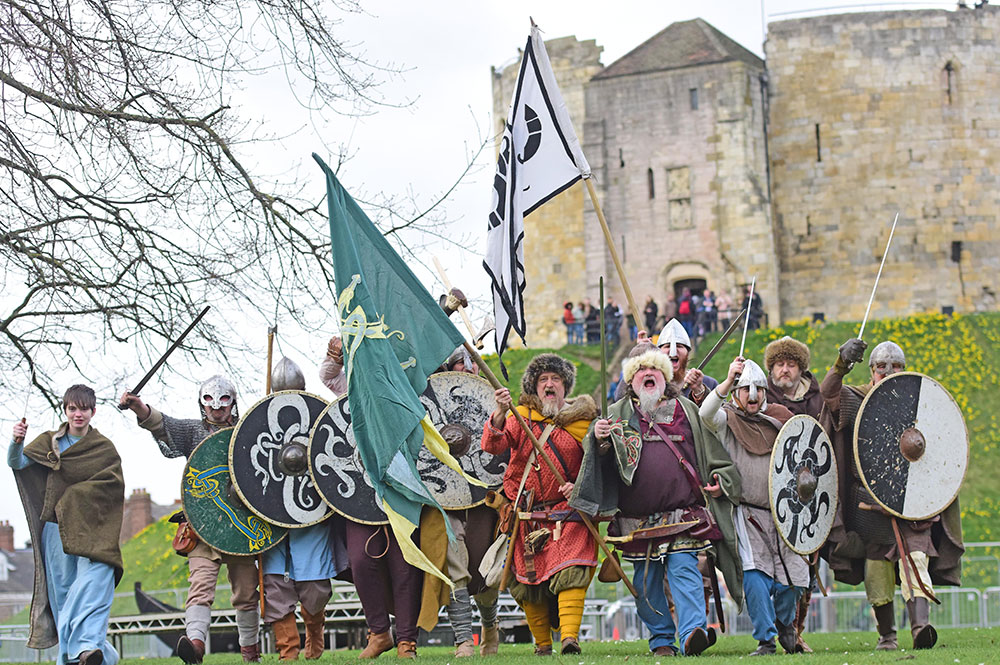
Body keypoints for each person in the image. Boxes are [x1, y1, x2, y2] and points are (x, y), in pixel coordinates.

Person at [571, 344, 742, 657]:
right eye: (639, 371)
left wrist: (720, 481)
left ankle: (692, 634)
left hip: (683, 513)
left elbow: (713, 453)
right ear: (631, 380)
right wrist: (598, 438)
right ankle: (662, 640)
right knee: (647, 583)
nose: (647, 374)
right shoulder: (616, 413)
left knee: (685, 572)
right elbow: (603, 460)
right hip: (637, 519)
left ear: (664, 376)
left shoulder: (687, 411)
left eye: (653, 370)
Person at [819, 339, 964, 651]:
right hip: (869, 504)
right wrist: (841, 364)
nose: (888, 372)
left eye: (896, 366)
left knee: (916, 559)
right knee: (877, 572)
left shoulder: (916, 401)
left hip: (911, 501)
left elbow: (941, 443)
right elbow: (828, 393)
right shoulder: (856, 398)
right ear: (871, 371)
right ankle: (887, 636)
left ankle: (921, 628)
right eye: (881, 367)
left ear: (904, 369)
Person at [120, 377, 262, 663]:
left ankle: (250, 653)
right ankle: (195, 646)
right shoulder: (193, 431)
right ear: (202, 403)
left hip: (241, 527)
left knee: (246, 593)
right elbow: (162, 424)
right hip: (202, 525)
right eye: (210, 400)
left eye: (224, 400)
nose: (217, 406)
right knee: (200, 586)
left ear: (233, 402)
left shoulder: (249, 431)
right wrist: (138, 407)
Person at [481, 354, 599, 655]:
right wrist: (499, 413)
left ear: (565, 387)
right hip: (527, 515)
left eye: (555, 379)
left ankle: (570, 638)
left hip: (568, 512)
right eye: (543, 379)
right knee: (528, 583)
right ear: (534, 386)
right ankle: (543, 646)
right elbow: (492, 445)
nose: (549, 384)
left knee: (573, 568)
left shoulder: (584, 423)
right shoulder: (520, 417)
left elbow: (598, 467)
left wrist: (581, 487)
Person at [317, 336, 423, 659]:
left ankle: (407, 639)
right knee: (362, 561)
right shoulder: (351, 389)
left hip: (401, 487)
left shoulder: (404, 388)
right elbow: (327, 376)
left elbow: (422, 362)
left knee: (405, 564)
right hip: (358, 491)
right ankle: (379, 632)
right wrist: (334, 354)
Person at [699, 358, 807, 655]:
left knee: (794, 579)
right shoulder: (726, 420)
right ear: (736, 392)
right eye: (745, 389)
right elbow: (705, 412)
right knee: (756, 576)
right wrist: (728, 380)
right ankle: (765, 639)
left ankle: (785, 624)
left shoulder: (780, 421)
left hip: (785, 513)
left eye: (758, 388)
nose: (753, 395)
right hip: (746, 513)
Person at [10, 385, 124, 665]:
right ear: (65, 410)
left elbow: (113, 487)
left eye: (83, 408)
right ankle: (97, 656)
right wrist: (16, 441)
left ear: (92, 412)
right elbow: (17, 462)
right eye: (72, 408)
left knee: (94, 583)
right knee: (62, 597)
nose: (78, 414)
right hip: (55, 530)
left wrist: (75, 497)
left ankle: (84, 649)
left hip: (92, 530)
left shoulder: (104, 449)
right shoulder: (49, 443)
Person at [262, 357, 346, 661]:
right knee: (274, 585)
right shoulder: (262, 422)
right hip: (271, 519)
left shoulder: (319, 418)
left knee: (313, 587)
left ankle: (314, 633)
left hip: (311, 514)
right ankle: (288, 651)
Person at [762, 336, 823, 652]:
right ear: (771, 368)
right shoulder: (756, 394)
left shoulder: (816, 400)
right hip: (767, 493)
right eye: (780, 364)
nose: (785, 370)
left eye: (791, 364)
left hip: (808, 495)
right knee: (766, 569)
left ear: (801, 369)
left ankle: (795, 632)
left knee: (806, 570)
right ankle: (770, 631)